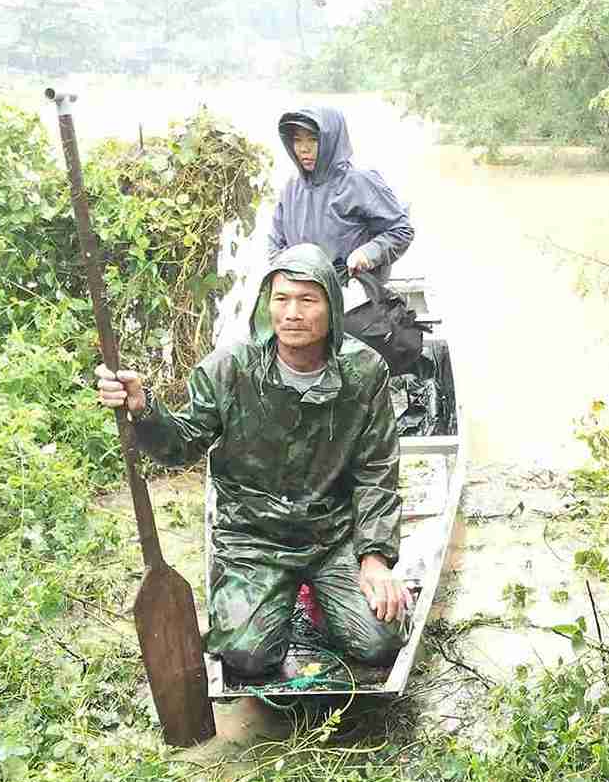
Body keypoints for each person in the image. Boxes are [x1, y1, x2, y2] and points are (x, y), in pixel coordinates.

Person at [97, 242, 410, 679]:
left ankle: (322, 597)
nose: (293, 313)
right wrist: (143, 410)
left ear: (332, 308)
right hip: (253, 538)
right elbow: (179, 445)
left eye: (308, 299)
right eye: (281, 299)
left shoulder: (364, 371)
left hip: (332, 535)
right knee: (247, 655)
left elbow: (376, 472)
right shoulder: (230, 367)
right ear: (267, 305)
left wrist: (375, 558)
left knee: (380, 640)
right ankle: (275, 598)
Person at [269, 107, 414, 281]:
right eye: (297, 140)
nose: (304, 149)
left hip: (353, 291)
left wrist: (368, 253)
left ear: (332, 141)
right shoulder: (290, 188)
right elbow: (276, 244)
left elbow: (401, 230)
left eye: (314, 140)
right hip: (305, 292)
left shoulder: (360, 182)